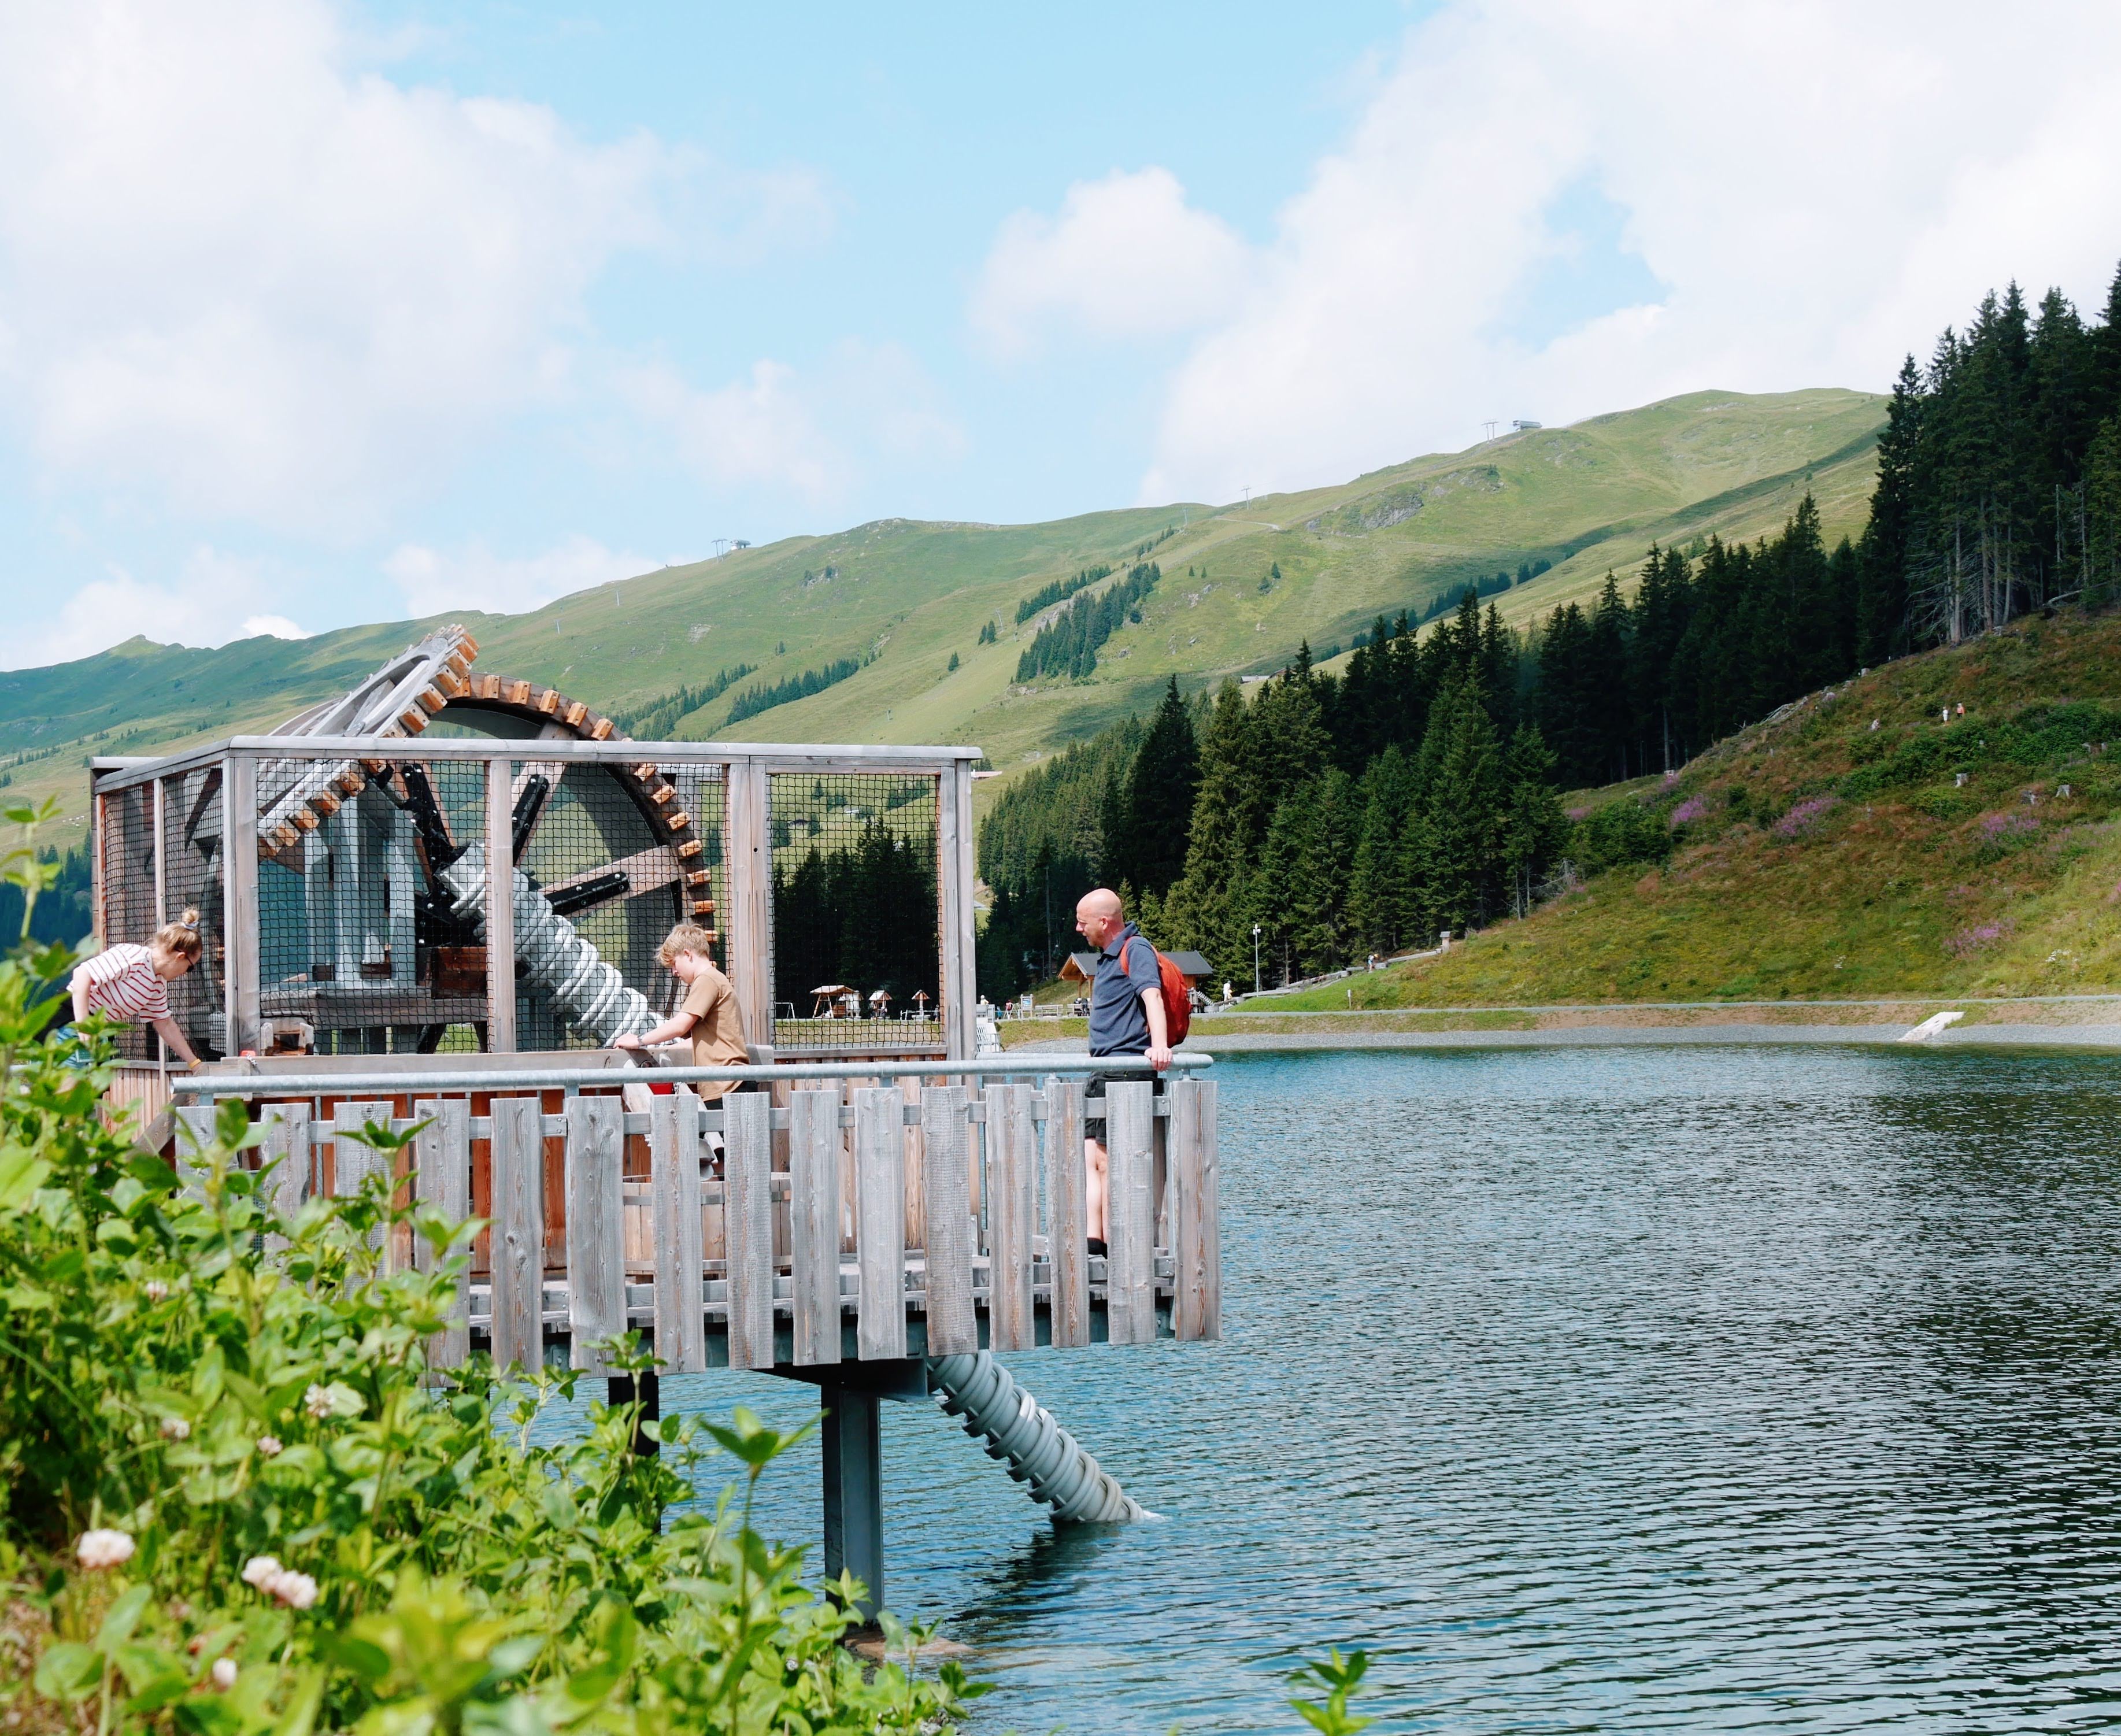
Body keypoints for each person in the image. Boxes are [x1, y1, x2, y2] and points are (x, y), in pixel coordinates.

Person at [1074, 887, 1172, 1253]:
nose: (1079, 929)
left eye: (1083, 922)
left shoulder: (1136, 949)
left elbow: (1152, 997)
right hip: (1103, 1071)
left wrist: (1159, 1046)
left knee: (1109, 1160)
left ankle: (1116, 1245)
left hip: (1125, 1072)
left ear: (1104, 921)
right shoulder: (1106, 957)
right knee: (1092, 1158)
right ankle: (1093, 1242)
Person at [613, 923, 751, 1102]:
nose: (674, 972)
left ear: (687, 955)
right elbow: (699, 1042)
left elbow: (680, 1025)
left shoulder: (707, 979)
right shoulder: (714, 979)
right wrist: (659, 1049)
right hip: (727, 1085)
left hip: (729, 1086)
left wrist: (639, 1040)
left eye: (674, 964)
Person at [65, 908, 206, 1067]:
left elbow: (164, 1023)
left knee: (94, 1088)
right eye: (190, 967)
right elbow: (82, 973)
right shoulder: (135, 956)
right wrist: (83, 1025)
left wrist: (194, 1063)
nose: (186, 973)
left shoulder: (156, 983)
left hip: (99, 1031)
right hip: (72, 1021)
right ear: (180, 957)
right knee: (69, 1083)